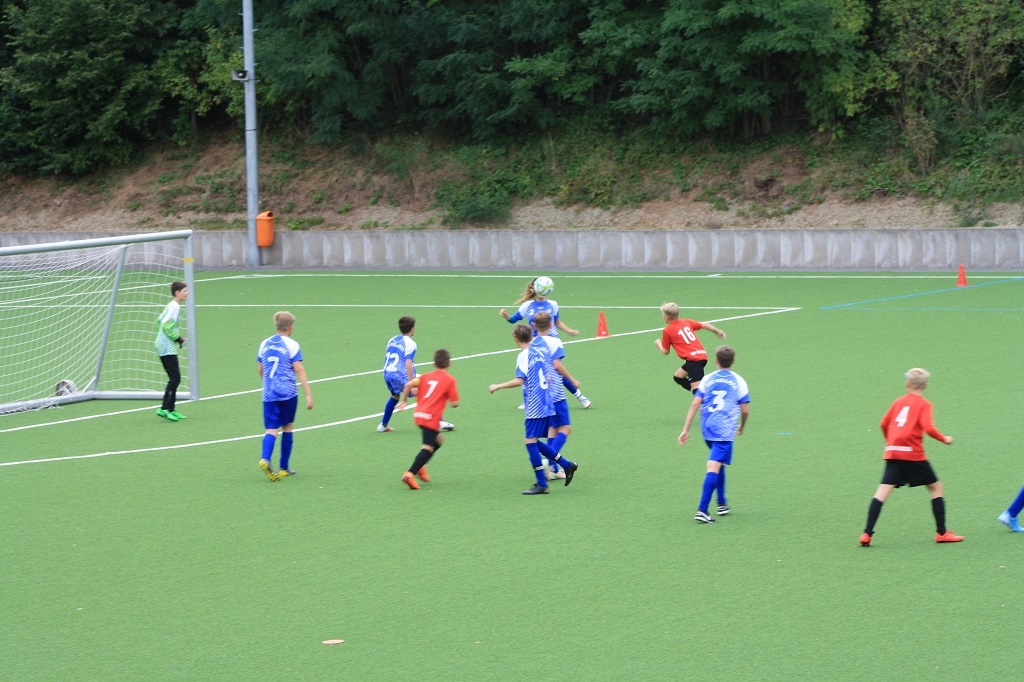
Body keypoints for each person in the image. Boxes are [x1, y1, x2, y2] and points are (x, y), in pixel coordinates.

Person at [859, 368, 961, 546]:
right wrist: (945, 439)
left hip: (893, 452)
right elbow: (928, 428)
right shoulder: (924, 404)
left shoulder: (898, 402)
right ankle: (942, 533)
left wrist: (890, 442)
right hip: (913, 455)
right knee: (936, 488)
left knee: (881, 493)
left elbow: (883, 423)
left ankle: (867, 534)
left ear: (907, 384)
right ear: (925, 386)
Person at [489, 324, 579, 494]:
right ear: (531, 337)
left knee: (530, 441)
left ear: (516, 339)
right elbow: (549, 378)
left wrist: (498, 386)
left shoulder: (523, 356)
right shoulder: (539, 352)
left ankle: (542, 484)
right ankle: (566, 465)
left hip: (535, 405)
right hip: (547, 401)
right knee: (533, 440)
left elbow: (519, 380)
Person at [679, 345, 749, 523]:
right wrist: (742, 426)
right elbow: (745, 410)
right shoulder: (739, 381)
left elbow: (695, 404)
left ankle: (722, 503)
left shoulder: (707, 378)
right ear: (733, 361)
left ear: (716, 360)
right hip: (724, 430)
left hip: (707, 427)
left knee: (719, 464)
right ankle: (702, 509)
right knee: (713, 466)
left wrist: (686, 429)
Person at [499, 277, 591, 409]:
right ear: (535, 288)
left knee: (557, 371)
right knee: (530, 371)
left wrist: (569, 331)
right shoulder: (527, 306)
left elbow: (557, 322)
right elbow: (513, 319)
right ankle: (528, 400)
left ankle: (580, 396)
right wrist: (506, 316)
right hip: (534, 344)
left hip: (551, 343)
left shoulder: (553, 304)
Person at [256, 311, 314, 481]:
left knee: (271, 429)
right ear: (290, 327)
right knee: (287, 427)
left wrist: (267, 385)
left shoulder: (264, 344)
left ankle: (265, 458)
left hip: (269, 393)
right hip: (288, 393)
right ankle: (284, 467)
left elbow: (261, 369)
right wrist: (308, 394)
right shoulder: (292, 345)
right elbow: (299, 369)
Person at [395, 349, 460, 489]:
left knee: (439, 440)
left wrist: (404, 401)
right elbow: (455, 403)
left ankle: (420, 466)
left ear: (434, 363)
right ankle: (410, 473)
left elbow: (408, 385)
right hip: (430, 418)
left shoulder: (424, 377)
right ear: (449, 364)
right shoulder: (450, 380)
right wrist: (451, 401)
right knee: (427, 448)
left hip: (419, 414)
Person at [533, 311, 580, 480]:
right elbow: (557, 364)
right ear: (552, 325)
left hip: (539, 394)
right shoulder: (554, 341)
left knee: (552, 429)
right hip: (555, 393)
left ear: (534, 326)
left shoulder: (533, 343)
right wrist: (572, 379)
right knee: (566, 428)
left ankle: (553, 469)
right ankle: (549, 461)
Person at [656, 302, 726, 395]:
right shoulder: (686, 321)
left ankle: (707, 395)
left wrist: (658, 343)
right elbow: (705, 325)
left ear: (666, 317)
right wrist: (717, 331)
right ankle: (704, 392)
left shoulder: (667, 330)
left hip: (694, 361)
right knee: (678, 377)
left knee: (698, 392)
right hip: (701, 355)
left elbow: (665, 351)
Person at [154, 281, 189, 421]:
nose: (187, 293)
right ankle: (164, 409)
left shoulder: (170, 305)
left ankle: (171, 409)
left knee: (174, 378)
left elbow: (158, 321)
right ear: (177, 292)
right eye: (184, 291)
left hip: (163, 345)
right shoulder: (175, 307)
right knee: (175, 378)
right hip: (166, 347)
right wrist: (179, 339)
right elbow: (167, 327)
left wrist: (162, 338)